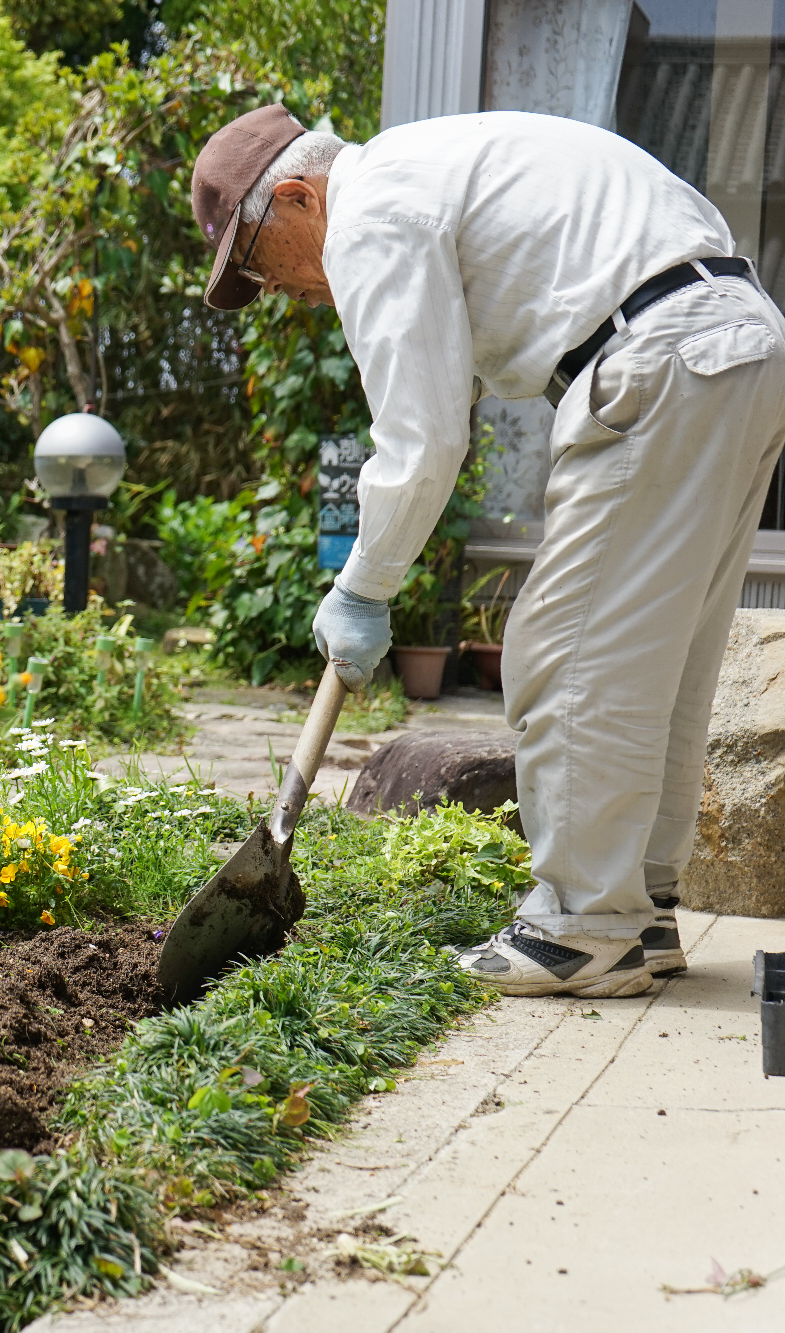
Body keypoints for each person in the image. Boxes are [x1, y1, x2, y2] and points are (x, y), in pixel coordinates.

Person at [188, 105, 785, 998]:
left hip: (657, 352)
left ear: (298, 196)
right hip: (741, 339)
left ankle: (581, 926)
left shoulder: (372, 207)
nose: (284, 290)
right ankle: (638, 910)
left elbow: (422, 439)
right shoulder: (441, 161)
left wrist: (363, 587)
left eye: (259, 263)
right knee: (662, 661)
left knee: (565, 649)